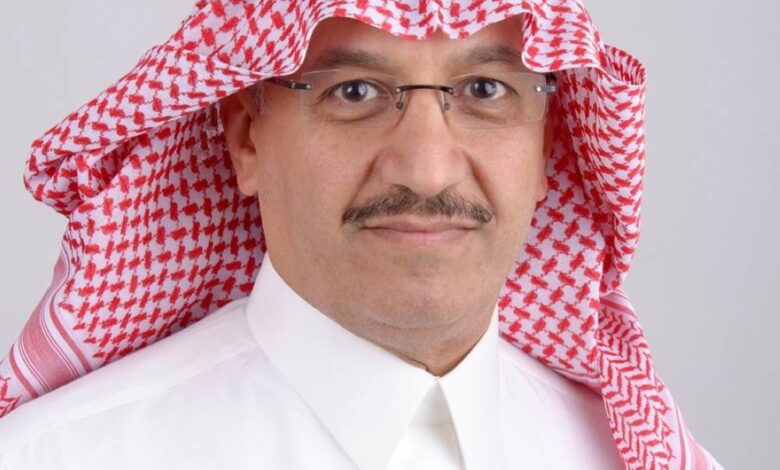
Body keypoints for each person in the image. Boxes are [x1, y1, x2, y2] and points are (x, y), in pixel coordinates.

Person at [0, 1, 723, 469]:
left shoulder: (623, 453)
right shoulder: (59, 457)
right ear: (247, 139)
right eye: (355, 92)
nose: (428, 168)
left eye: (484, 90)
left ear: (544, 145)